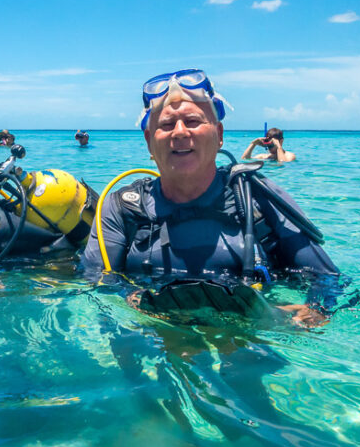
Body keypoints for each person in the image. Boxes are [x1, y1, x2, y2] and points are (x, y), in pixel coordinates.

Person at [80, 68, 340, 326]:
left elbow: (327, 279)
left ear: (219, 135)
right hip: (154, 333)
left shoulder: (258, 198)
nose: (180, 132)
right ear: (149, 141)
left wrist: (313, 310)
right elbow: (95, 284)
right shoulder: (122, 209)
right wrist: (131, 298)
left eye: (193, 121)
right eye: (166, 125)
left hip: (245, 337)